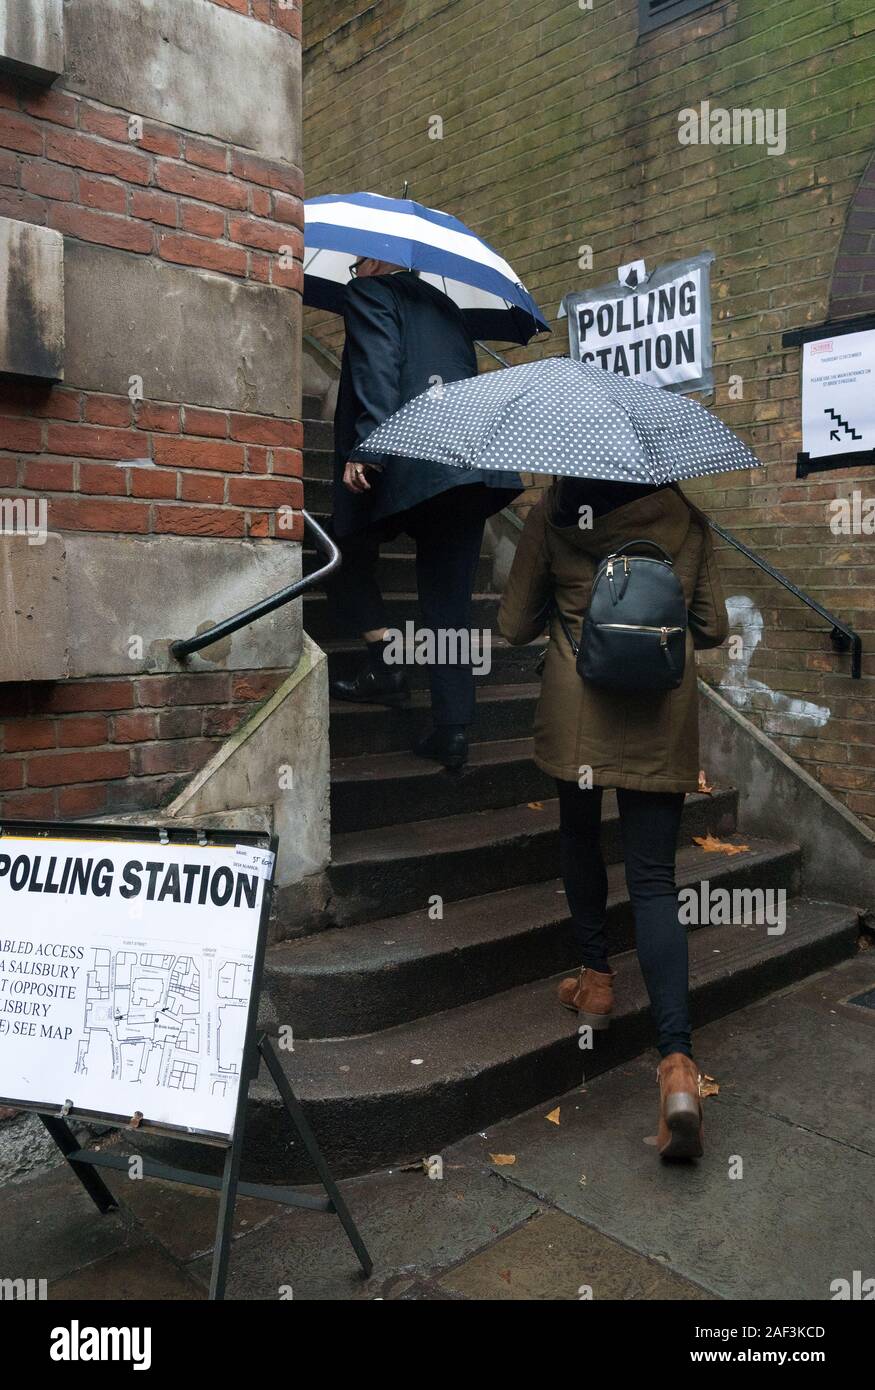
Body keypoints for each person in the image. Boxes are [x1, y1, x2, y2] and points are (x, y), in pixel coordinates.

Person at [498, 476, 728, 1159]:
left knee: (578, 837)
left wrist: (568, 607)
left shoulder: (555, 511)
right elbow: (712, 626)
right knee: (654, 878)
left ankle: (594, 981)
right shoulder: (686, 517)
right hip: (659, 708)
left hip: (579, 707)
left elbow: (512, 624)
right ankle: (678, 1068)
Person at [326, 257, 520, 770]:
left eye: (356, 262)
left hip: (404, 456)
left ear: (379, 260)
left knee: (339, 549)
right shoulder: (448, 308)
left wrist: (368, 447)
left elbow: (378, 363)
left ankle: (385, 660)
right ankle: (452, 729)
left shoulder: (369, 293)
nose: (352, 269)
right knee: (447, 603)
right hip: (466, 467)